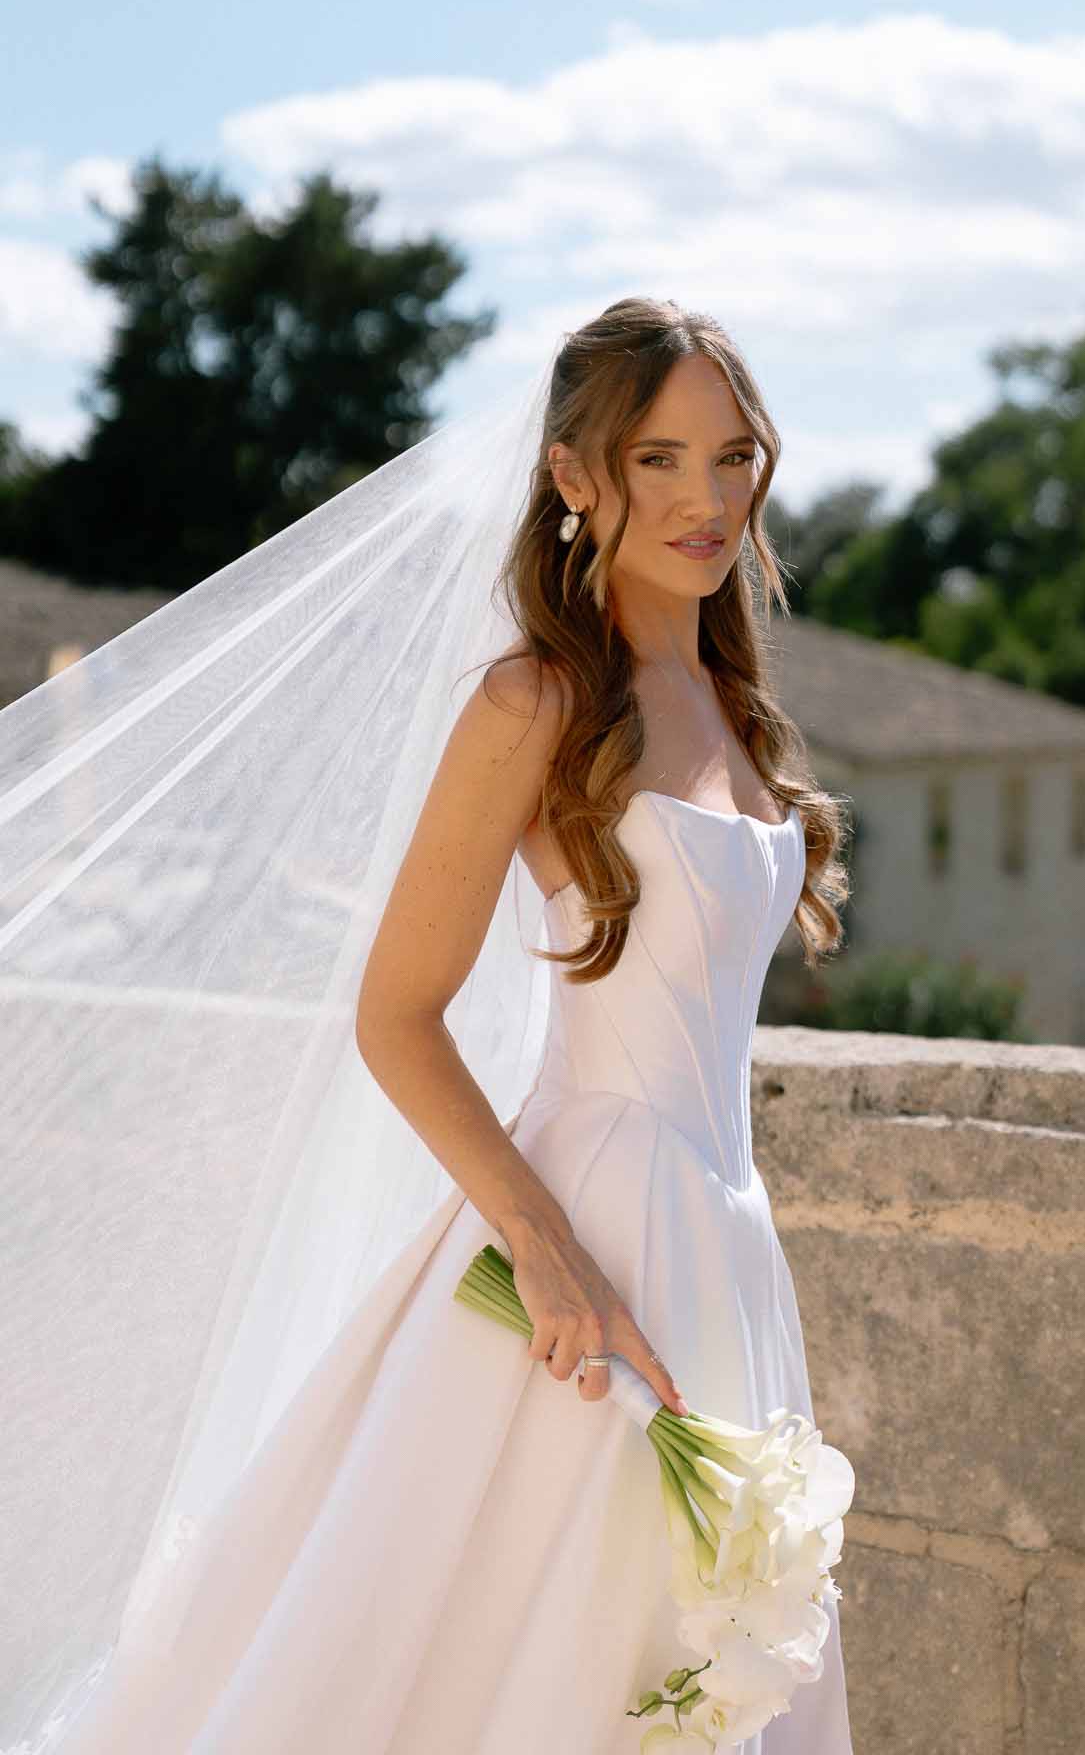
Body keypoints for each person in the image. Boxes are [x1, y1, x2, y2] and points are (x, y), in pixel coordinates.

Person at [6, 296, 856, 1753]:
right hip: (585, 1238)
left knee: (691, 1661)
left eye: (731, 457)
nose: (706, 500)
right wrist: (548, 1250)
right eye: (658, 459)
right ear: (578, 478)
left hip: (725, 1243)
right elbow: (395, 1016)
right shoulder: (534, 699)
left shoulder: (726, 701)